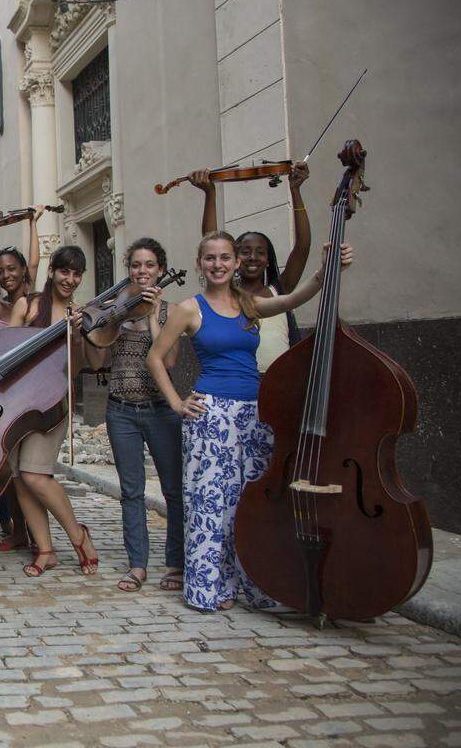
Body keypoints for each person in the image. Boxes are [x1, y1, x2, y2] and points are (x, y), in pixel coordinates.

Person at [146, 231, 353, 612]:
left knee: (252, 501)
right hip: (211, 414)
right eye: (210, 258)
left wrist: (327, 271)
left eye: (225, 257)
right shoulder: (189, 308)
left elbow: (293, 298)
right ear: (200, 263)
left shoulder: (249, 303)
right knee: (211, 503)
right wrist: (176, 402)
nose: (218, 264)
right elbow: (155, 358)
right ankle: (209, 589)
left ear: (236, 263)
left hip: (255, 412)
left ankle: (257, 585)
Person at [83, 239, 184, 593]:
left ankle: (175, 563)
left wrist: (154, 314)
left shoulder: (171, 311)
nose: (143, 271)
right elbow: (97, 362)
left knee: (173, 490)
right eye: (136, 265)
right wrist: (91, 326)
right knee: (131, 492)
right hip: (121, 410)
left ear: (160, 270)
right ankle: (137, 565)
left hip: (160, 411)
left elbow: (168, 361)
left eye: (150, 265)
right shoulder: (117, 312)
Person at [7, 245, 100, 578]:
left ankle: (78, 535)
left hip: (51, 402)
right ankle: (46, 550)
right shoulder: (28, 305)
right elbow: (4, 347)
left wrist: (77, 336)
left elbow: (80, 368)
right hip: (16, 402)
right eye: (65, 271)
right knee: (18, 476)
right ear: (52, 272)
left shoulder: (80, 313)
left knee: (35, 474)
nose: (70, 279)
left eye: (76, 274)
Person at [189, 163, 312, 372]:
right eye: (245, 251)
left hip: (280, 384)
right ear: (235, 259)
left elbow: (303, 246)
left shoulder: (280, 288)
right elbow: (210, 240)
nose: (253, 257)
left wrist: (295, 190)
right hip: (240, 382)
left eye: (260, 252)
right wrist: (210, 193)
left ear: (268, 260)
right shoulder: (227, 293)